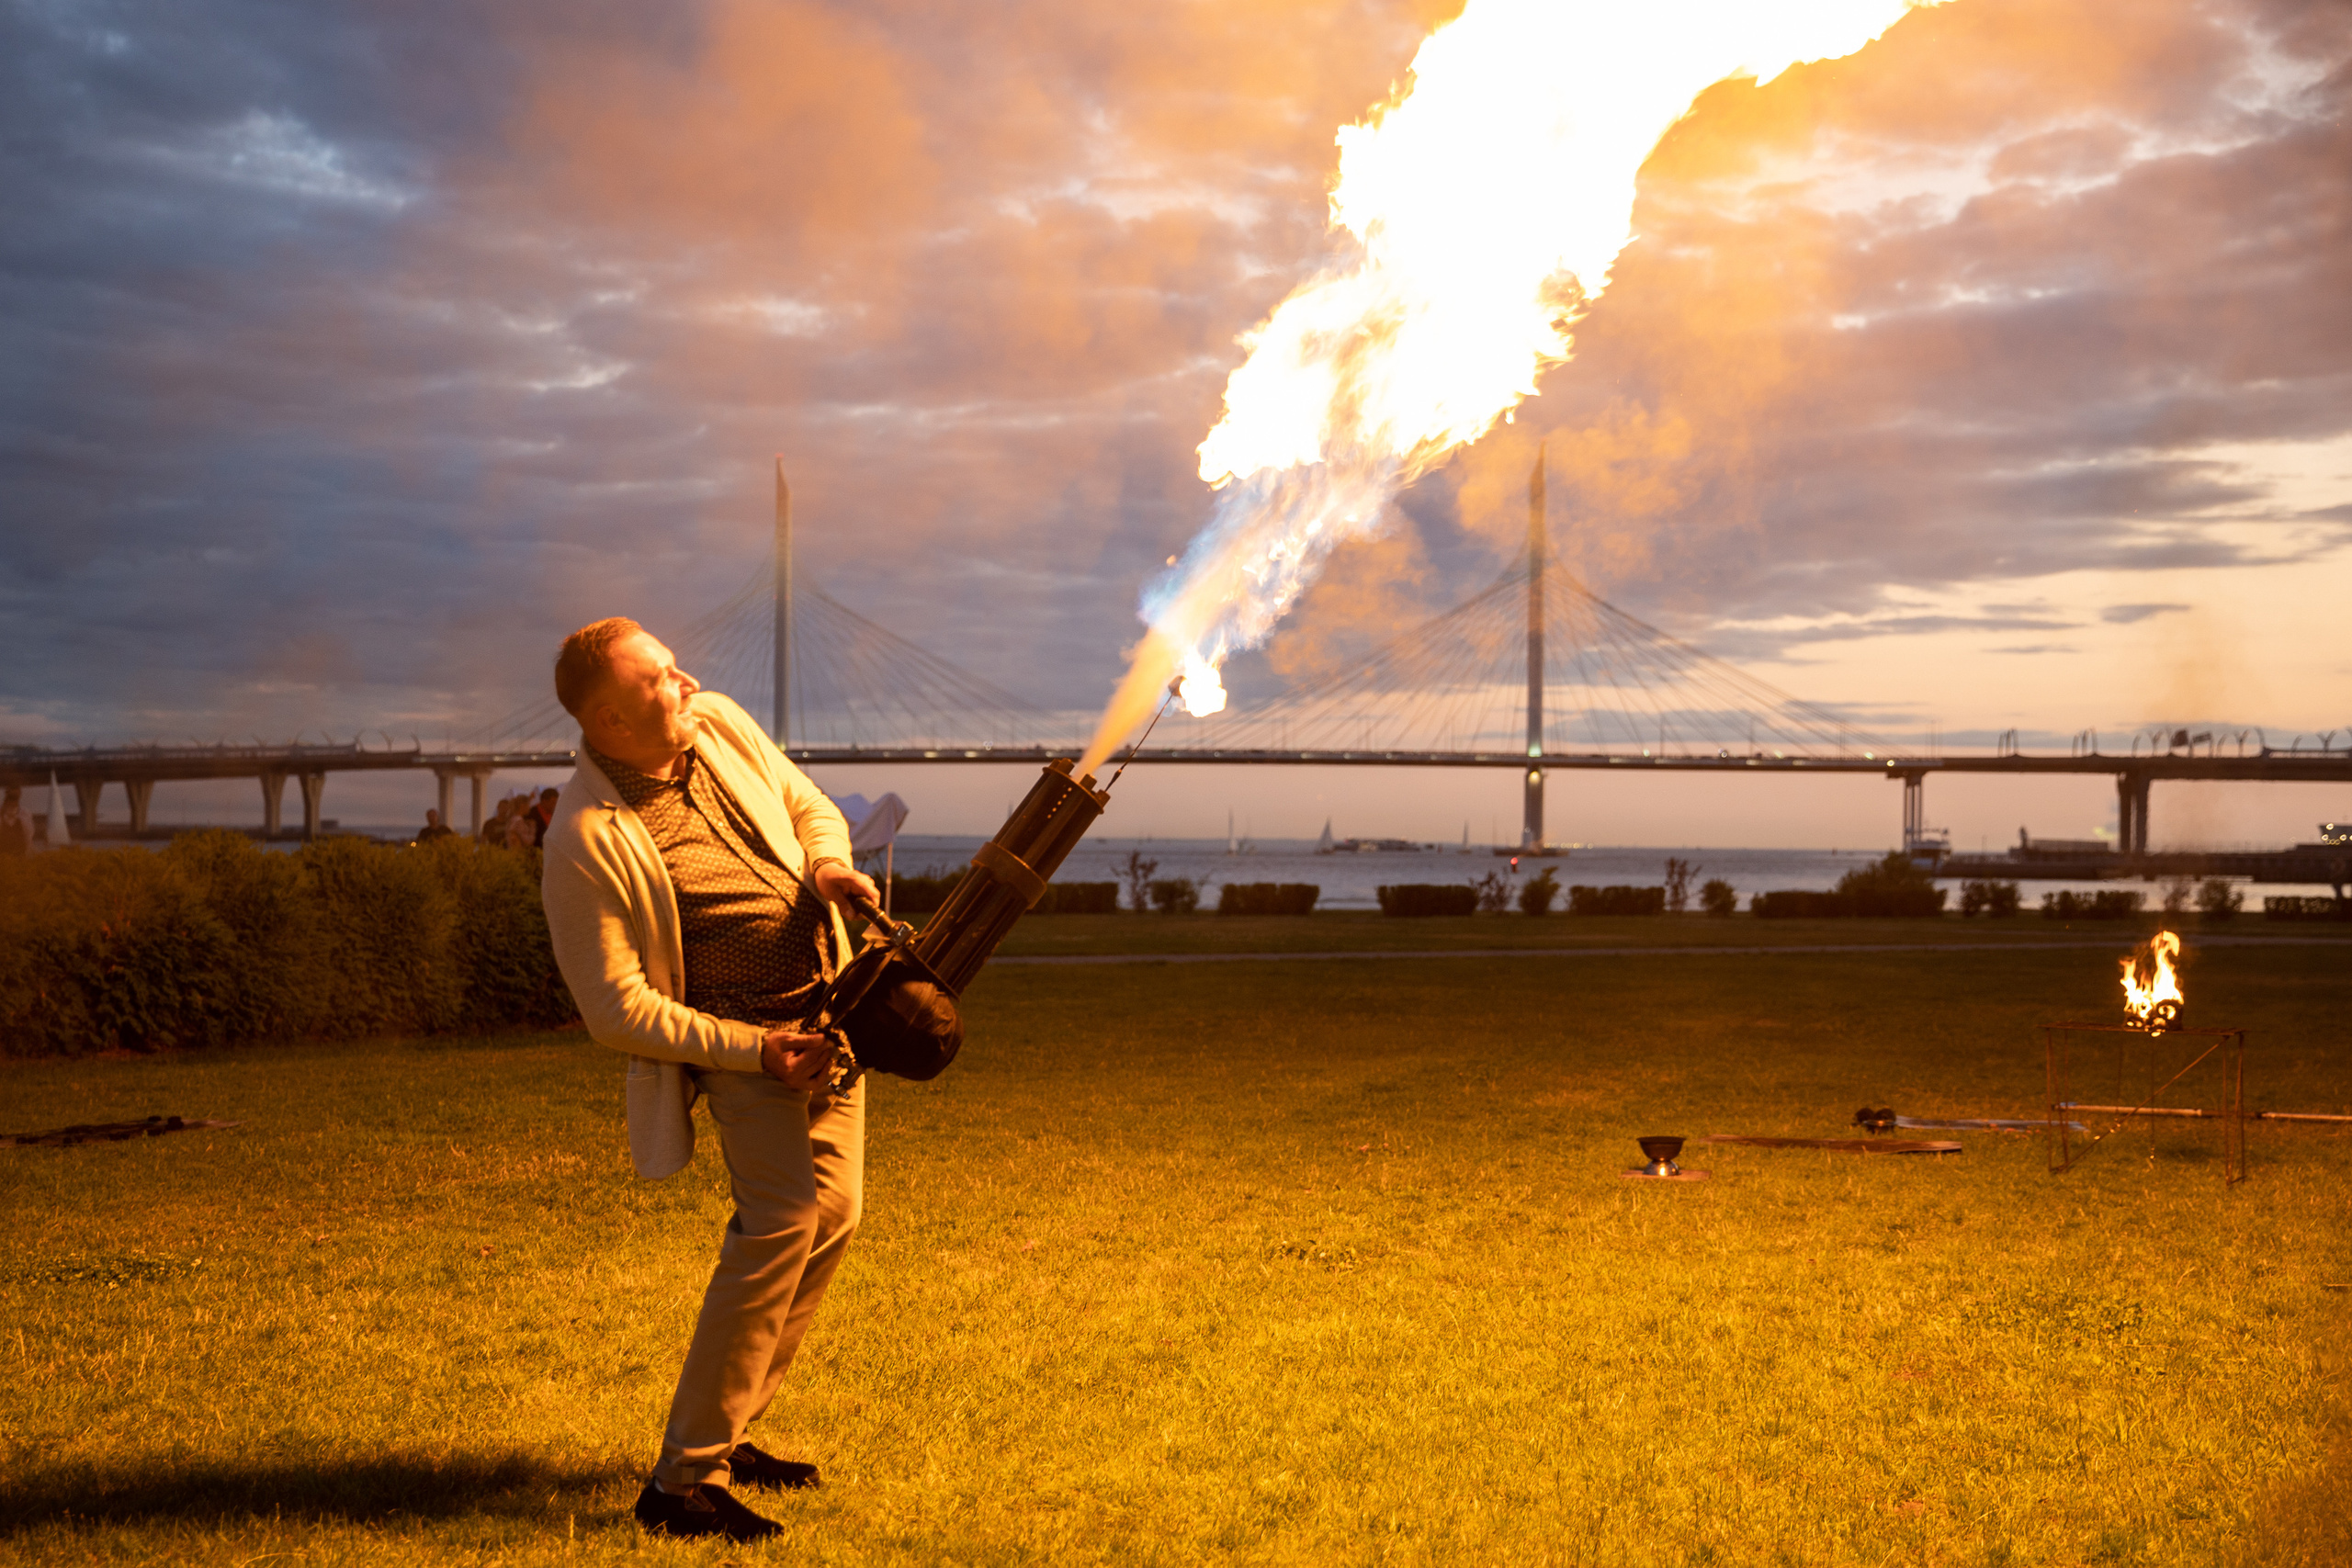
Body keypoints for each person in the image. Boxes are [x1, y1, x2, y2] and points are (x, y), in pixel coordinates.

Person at [538, 616, 877, 1543]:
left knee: (832, 1216)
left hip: (829, 1019)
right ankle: (681, 1484)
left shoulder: (717, 722)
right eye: (656, 678)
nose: (683, 677)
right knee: (781, 1226)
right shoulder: (585, 838)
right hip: (749, 1056)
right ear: (609, 721)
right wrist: (753, 1051)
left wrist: (831, 867)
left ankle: (725, 1436)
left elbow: (811, 808)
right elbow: (617, 1008)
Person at [0, 786, 28, 856]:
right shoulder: (1, 819)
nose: (12, 806)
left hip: (19, 856)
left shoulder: (23, 818)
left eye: (14, 804)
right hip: (4, 857)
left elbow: (28, 838)